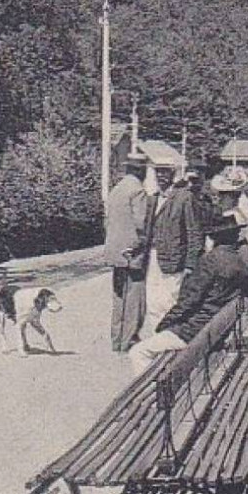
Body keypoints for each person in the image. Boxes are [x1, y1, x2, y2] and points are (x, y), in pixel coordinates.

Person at [127, 210, 248, 375]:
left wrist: (165, 324)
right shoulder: (240, 264)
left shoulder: (209, 261)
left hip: (195, 332)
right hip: (218, 329)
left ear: (213, 238)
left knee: (138, 352)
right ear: (235, 236)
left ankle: (153, 397)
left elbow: (188, 301)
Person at [103, 151, 152, 353]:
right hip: (132, 252)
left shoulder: (117, 189)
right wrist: (143, 244)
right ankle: (128, 340)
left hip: (115, 251)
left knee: (118, 297)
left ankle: (116, 340)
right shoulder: (138, 190)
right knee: (134, 297)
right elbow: (140, 223)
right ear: (141, 171)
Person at [143, 164, 201, 335]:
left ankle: (170, 338)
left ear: (173, 174)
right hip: (153, 257)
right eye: (158, 172)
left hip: (175, 260)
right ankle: (157, 337)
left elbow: (194, 233)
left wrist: (190, 264)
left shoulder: (184, 198)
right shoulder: (153, 199)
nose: (161, 176)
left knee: (170, 301)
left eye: (165, 172)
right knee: (153, 301)